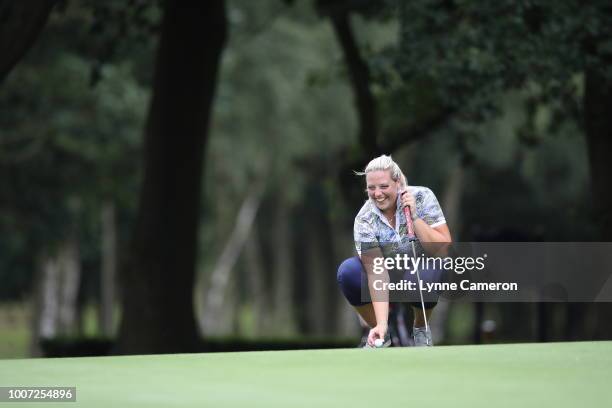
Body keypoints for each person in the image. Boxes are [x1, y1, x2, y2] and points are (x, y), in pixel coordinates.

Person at [337, 155, 452, 347]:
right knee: (348, 272)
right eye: (371, 188)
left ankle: (421, 329)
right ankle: (383, 332)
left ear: (397, 183)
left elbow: (442, 250)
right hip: (385, 275)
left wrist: (415, 218)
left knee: (423, 275)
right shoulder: (364, 219)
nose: (377, 193)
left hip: (421, 271)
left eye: (383, 186)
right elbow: (376, 273)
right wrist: (381, 324)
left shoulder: (423, 197)